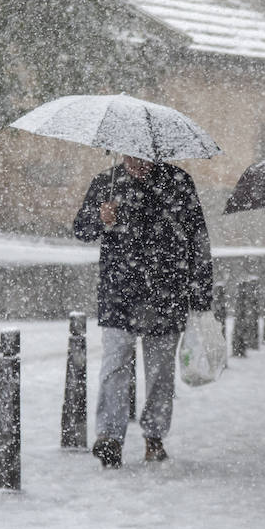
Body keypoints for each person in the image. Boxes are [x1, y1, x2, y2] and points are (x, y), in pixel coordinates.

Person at [73, 154, 213, 468]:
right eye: (131, 155)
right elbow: (80, 229)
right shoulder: (106, 183)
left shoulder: (178, 183)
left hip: (167, 294)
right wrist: (100, 218)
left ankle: (154, 436)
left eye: (144, 156)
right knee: (114, 365)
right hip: (119, 293)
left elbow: (198, 240)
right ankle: (109, 437)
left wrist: (201, 297)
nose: (137, 161)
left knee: (160, 372)